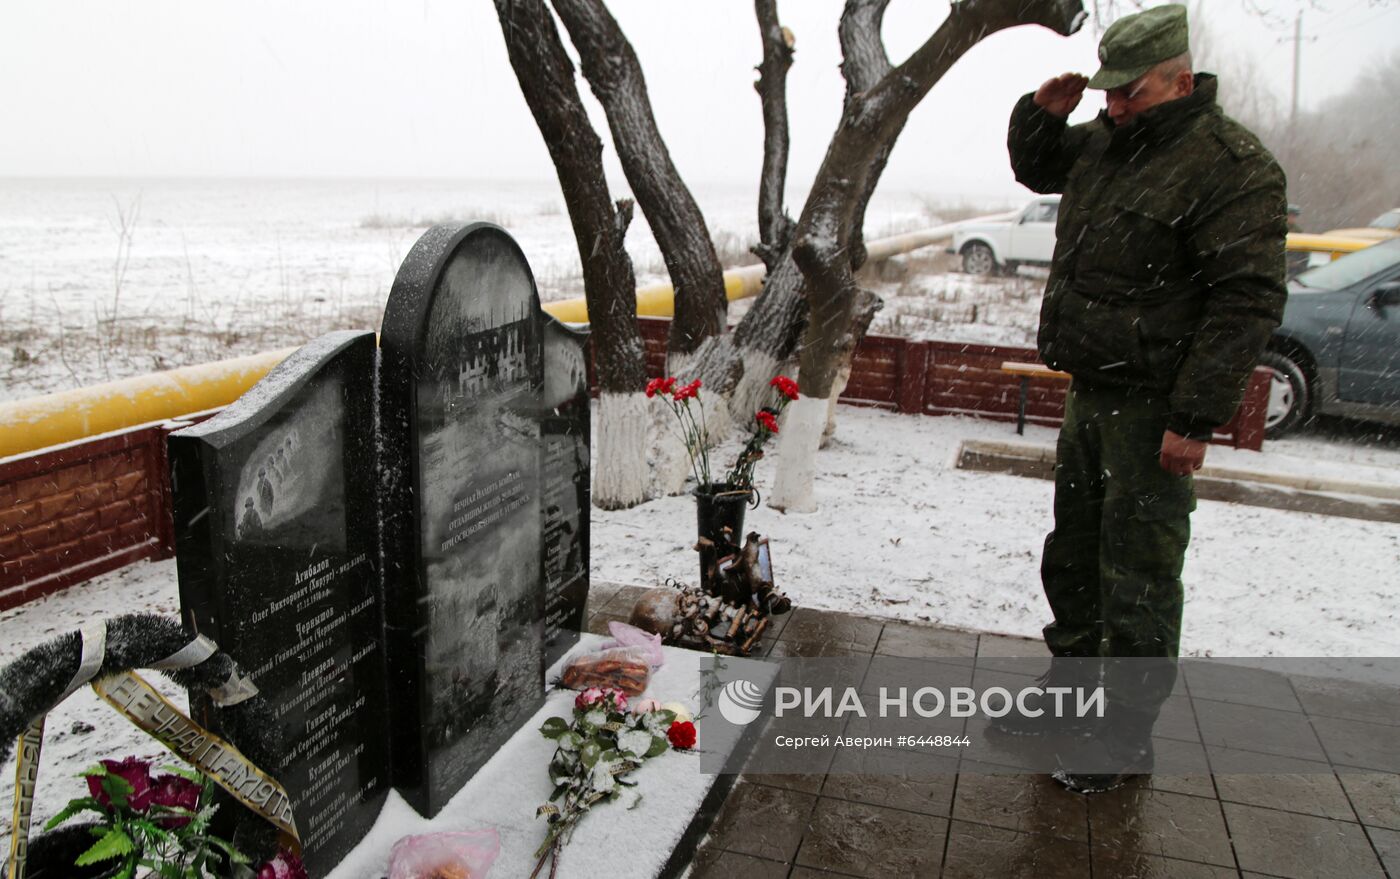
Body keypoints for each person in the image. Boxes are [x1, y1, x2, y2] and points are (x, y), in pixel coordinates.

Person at [997, 4, 1288, 793]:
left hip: (1157, 405)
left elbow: (1246, 302)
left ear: (1181, 79)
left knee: (1140, 571)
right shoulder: (1110, 143)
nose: (1116, 107)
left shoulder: (1230, 167)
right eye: (1109, 94)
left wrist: (1194, 418)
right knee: (1078, 554)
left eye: (1132, 93)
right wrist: (1041, 115)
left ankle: (1124, 733)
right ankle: (1069, 695)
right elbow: (1039, 166)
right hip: (1094, 392)